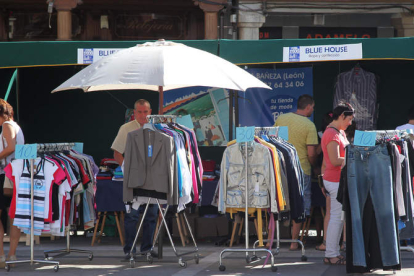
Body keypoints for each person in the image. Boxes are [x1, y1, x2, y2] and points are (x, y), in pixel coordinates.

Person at [111, 99, 159, 259]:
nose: (143, 115)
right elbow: (117, 152)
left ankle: (147, 248)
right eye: (139, 112)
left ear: (150, 112)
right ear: (134, 113)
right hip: (133, 179)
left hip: (153, 178)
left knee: (151, 214)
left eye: (145, 112)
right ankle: (129, 250)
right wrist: (127, 169)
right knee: (132, 215)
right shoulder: (126, 129)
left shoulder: (156, 128)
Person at [275, 94, 318, 250]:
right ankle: (294, 242)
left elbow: (274, 141)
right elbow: (311, 153)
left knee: (279, 203)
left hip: (280, 168)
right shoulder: (309, 125)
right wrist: (315, 167)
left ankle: (270, 240)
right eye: (312, 107)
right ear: (308, 107)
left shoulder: (281, 119)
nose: (313, 110)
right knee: (299, 205)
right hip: (301, 169)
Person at [321, 102, 354, 265]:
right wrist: (354, 158)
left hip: (337, 180)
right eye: (349, 119)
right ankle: (331, 254)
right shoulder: (331, 134)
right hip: (334, 181)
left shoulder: (338, 132)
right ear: (341, 116)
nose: (350, 123)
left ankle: (332, 253)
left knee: (338, 218)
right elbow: (334, 161)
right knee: (336, 218)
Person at [0, 99, 24, 268]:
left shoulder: (7, 125)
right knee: (13, 215)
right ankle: (12, 255)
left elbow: (10, 147)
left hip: (4, 175)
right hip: (15, 175)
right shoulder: (15, 125)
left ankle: (2, 255)